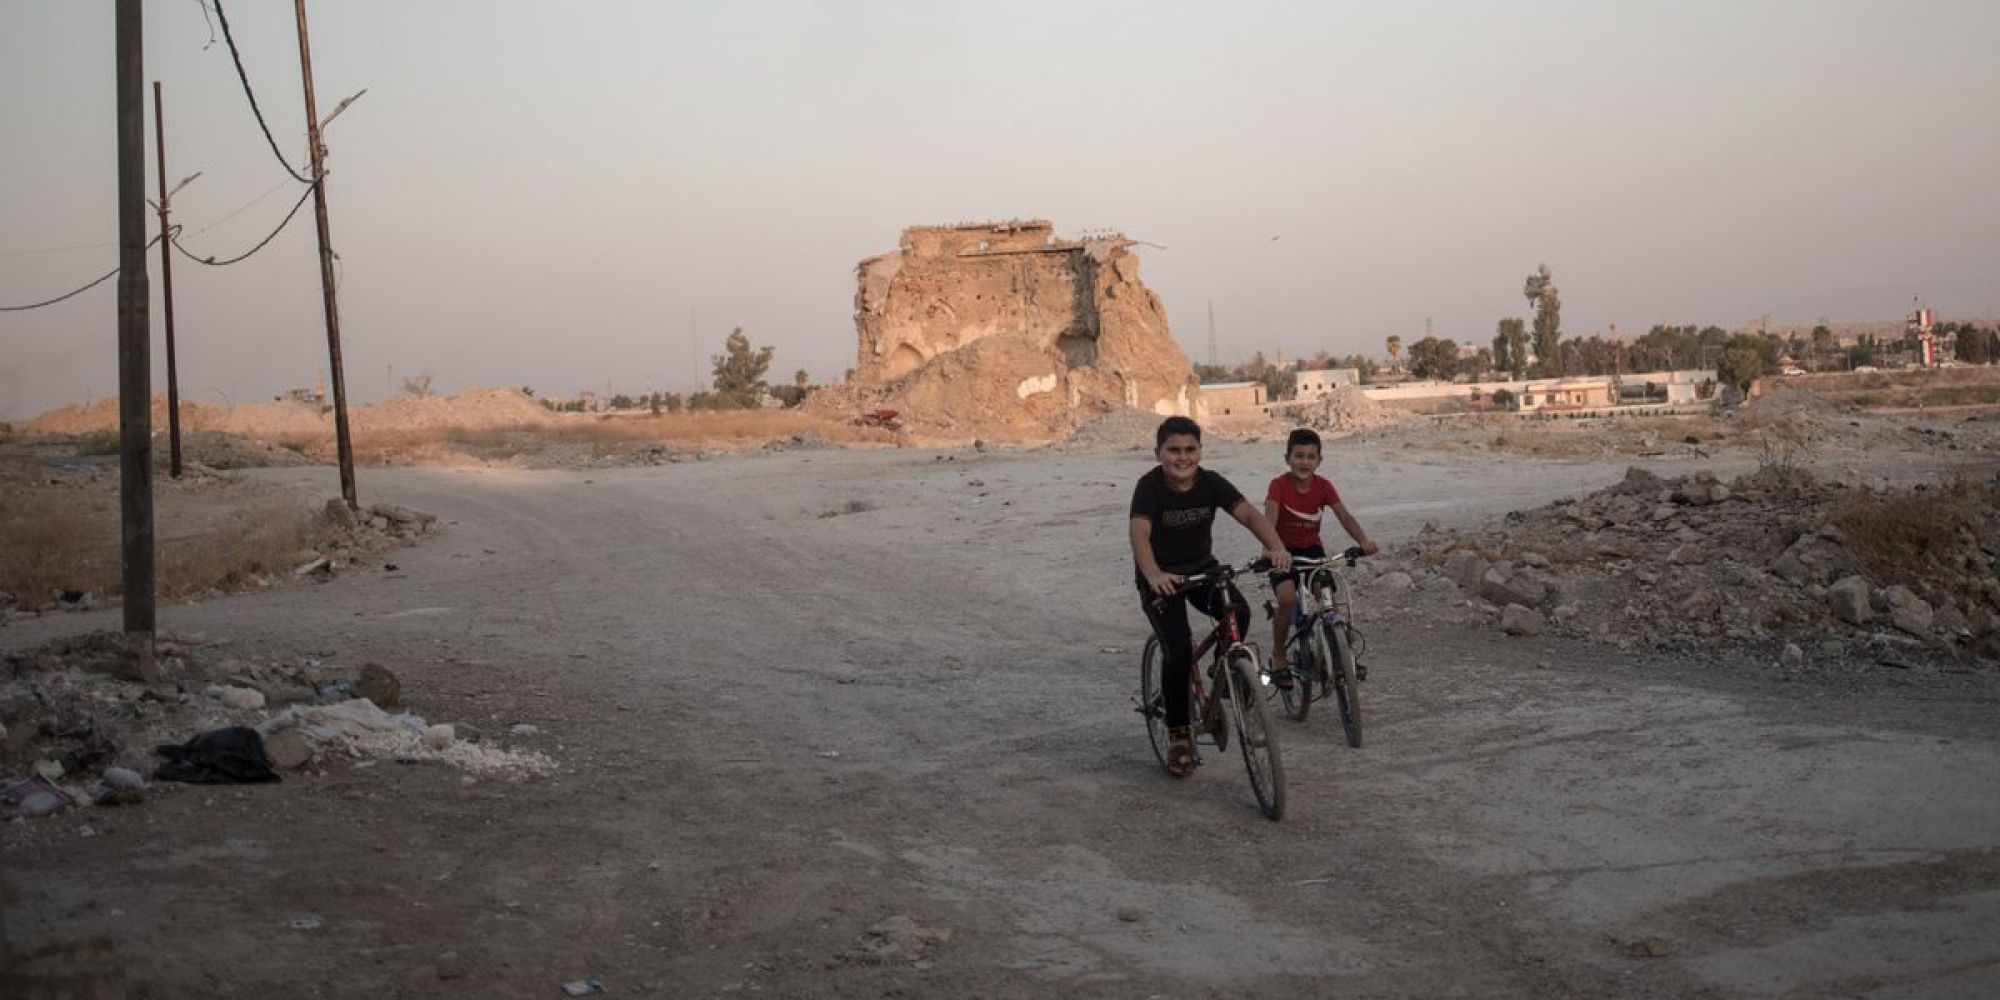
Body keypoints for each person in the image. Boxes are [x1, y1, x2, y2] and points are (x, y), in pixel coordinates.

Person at [1130, 416, 1291, 779]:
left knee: (1239, 612)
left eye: (1190, 450)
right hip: (1162, 579)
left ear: (1200, 451)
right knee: (1178, 649)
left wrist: (1276, 547)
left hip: (1203, 570)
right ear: (1158, 453)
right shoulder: (1149, 487)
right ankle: (1179, 735)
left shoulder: (1211, 483)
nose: (1183, 458)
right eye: (1174, 450)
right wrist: (1153, 574)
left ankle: (1226, 673)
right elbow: (1139, 532)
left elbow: (1248, 513)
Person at [1264, 428, 1377, 684]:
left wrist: (1363, 541)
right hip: (1281, 551)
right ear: (1287, 458)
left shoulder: (1324, 486)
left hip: (1312, 552)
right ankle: (1279, 654)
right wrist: (1270, 551)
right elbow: (1268, 520)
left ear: (1319, 460)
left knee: (1327, 598)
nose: (1304, 462)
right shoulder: (1278, 485)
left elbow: (1345, 516)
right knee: (1286, 598)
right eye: (1298, 456)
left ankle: (1342, 655)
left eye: (1310, 457)